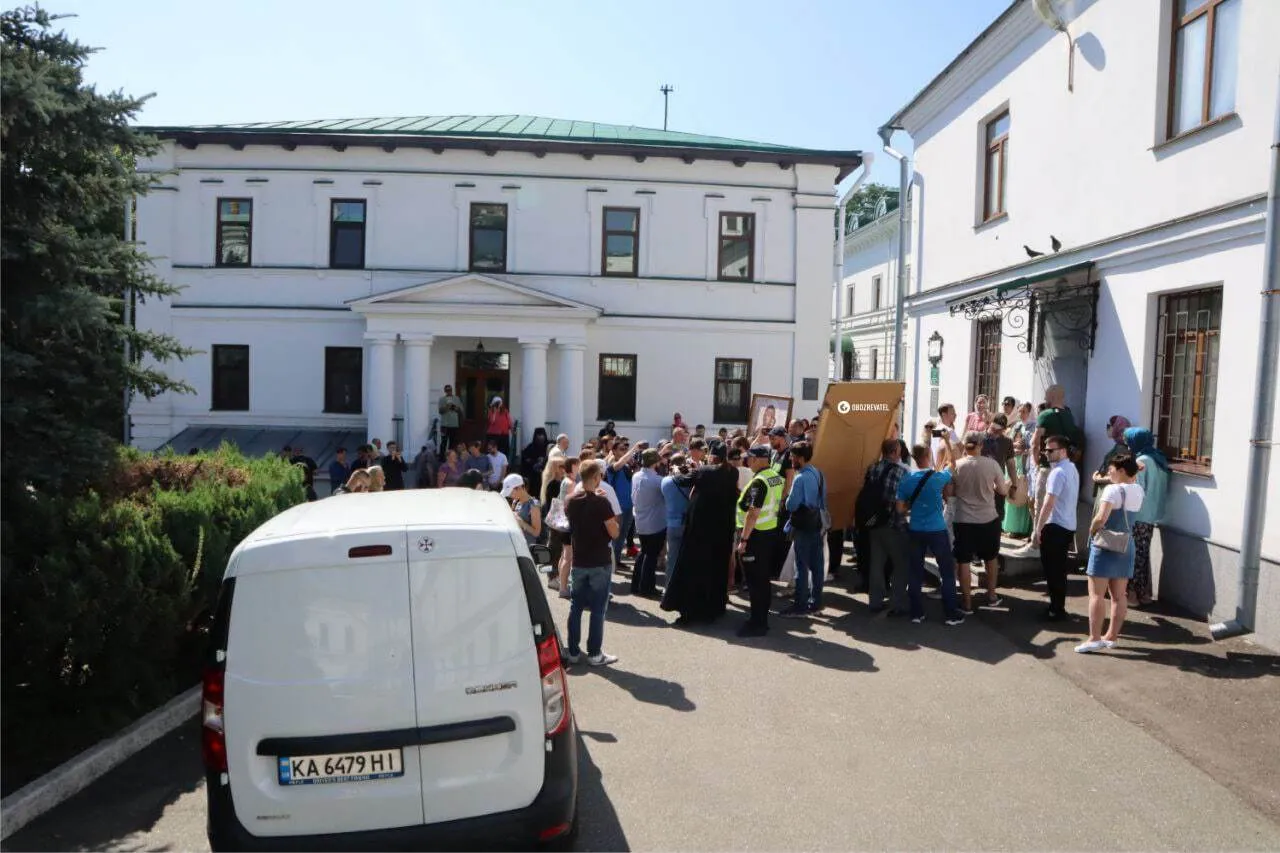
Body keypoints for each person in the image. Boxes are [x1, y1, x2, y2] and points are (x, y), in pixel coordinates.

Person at [661, 441, 738, 626]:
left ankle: (690, 611)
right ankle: (714, 608)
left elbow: (681, 479)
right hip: (722, 528)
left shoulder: (705, 471)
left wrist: (682, 469)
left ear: (711, 455)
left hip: (700, 529)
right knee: (716, 569)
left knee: (693, 569)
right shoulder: (732, 472)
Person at [1078, 455, 1144, 653]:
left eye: (1112, 469)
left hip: (1106, 544)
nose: (1109, 472)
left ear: (1122, 471)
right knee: (1119, 595)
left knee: (1096, 594)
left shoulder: (1112, 490)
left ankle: (1094, 638)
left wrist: (1091, 530)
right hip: (1126, 543)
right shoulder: (1138, 489)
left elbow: (1101, 518)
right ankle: (1112, 636)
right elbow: (1132, 478)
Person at [896, 439, 965, 626]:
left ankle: (916, 613)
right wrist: (947, 442)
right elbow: (953, 463)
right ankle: (951, 613)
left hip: (916, 529)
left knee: (915, 571)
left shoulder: (907, 480)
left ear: (914, 458)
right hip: (937, 529)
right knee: (947, 571)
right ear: (928, 456)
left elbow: (900, 509)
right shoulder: (938, 477)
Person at [563, 460, 620, 667]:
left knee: (576, 607)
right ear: (596, 478)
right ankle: (595, 654)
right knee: (597, 609)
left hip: (579, 560)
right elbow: (613, 531)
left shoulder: (570, 500)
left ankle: (574, 652)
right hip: (599, 561)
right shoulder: (602, 503)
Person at [953, 431, 1010, 612]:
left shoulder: (956, 466)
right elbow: (1002, 491)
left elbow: (950, 492)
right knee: (991, 558)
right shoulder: (992, 464)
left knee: (964, 561)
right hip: (988, 519)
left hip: (963, 519)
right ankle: (992, 596)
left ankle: (967, 603)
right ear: (981, 445)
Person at [733, 446, 785, 636]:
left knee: (755, 581)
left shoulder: (760, 482)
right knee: (763, 580)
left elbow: (753, 513)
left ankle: (757, 623)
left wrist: (744, 540)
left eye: (750, 459)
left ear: (758, 459)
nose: (748, 462)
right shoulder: (775, 476)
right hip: (769, 532)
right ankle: (761, 618)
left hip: (755, 536)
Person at [859, 439, 910, 615]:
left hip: (873, 522)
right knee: (901, 564)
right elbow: (899, 501)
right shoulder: (901, 471)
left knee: (877, 563)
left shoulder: (872, 468)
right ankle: (897, 603)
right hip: (892, 524)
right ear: (895, 452)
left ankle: (875, 601)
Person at [1033, 434, 1080, 621]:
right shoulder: (1071, 468)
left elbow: (1048, 502)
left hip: (1056, 526)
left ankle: (1056, 609)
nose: (1046, 453)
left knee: (1053, 569)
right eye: (1045, 449)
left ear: (1062, 451)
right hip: (1067, 525)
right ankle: (1057, 606)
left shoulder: (1058, 472)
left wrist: (1037, 528)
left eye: (1050, 450)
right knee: (1058, 569)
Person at [781, 440, 828, 618]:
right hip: (818, 523)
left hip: (803, 525)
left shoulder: (800, 477)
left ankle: (800, 606)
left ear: (800, 458)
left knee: (801, 565)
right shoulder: (819, 473)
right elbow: (823, 499)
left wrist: (786, 502)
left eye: (793, 456)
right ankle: (816, 602)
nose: (791, 459)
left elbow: (792, 505)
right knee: (817, 565)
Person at [1124, 427, 1169, 607]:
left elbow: (1137, 490)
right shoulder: (1159, 460)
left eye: (1129, 441)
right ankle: (1144, 594)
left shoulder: (1142, 461)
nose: (1127, 445)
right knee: (1143, 555)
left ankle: (1133, 594)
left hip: (1139, 515)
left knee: (1135, 556)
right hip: (1151, 516)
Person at [630, 449, 666, 597]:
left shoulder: (636, 475)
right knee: (650, 556)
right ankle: (646, 587)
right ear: (655, 462)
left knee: (644, 553)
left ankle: (636, 584)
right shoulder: (657, 480)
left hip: (641, 520)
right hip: (654, 523)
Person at [605, 438, 640, 567]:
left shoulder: (626, 466)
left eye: (625, 449)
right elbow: (619, 464)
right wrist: (634, 448)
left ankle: (617, 560)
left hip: (629, 506)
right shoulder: (612, 466)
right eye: (621, 449)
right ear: (613, 451)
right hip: (617, 507)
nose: (624, 451)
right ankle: (611, 562)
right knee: (616, 536)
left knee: (623, 535)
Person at [660, 453, 692, 588]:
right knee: (687, 558)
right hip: (687, 523)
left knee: (672, 558)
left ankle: (669, 587)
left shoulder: (665, 481)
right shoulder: (689, 482)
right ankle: (684, 588)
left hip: (671, 523)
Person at [1092, 415, 1132, 499]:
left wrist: (1098, 479)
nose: (1108, 429)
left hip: (1112, 494)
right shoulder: (1119, 446)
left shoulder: (1122, 450)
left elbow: (1120, 476)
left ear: (1118, 428)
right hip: (1109, 490)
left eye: (1110, 426)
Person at [501, 473, 543, 546]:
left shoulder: (534, 505)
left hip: (527, 548)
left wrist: (522, 522)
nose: (510, 496)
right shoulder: (516, 502)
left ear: (519, 488)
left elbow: (536, 533)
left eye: (511, 493)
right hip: (516, 545)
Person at [521, 427, 551, 499]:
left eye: (542, 435)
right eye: (538, 435)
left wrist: (544, 461)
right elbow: (525, 460)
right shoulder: (530, 447)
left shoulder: (549, 446)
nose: (540, 437)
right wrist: (534, 462)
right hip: (534, 478)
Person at [437, 385, 463, 453]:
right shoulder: (442, 399)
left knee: (452, 442)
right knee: (443, 442)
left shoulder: (457, 399)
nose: (449, 392)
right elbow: (440, 411)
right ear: (445, 391)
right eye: (447, 390)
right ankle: (441, 458)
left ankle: (451, 456)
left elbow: (460, 410)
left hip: (454, 424)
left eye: (450, 390)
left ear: (452, 390)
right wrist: (446, 407)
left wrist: (454, 407)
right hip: (444, 424)